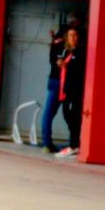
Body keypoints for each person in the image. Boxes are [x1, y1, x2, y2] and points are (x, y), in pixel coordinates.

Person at [40, 13, 80, 153]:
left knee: (56, 112)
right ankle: (66, 143)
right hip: (60, 82)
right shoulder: (64, 42)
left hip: (56, 80)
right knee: (65, 113)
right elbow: (58, 61)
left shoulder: (56, 41)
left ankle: (49, 142)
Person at [56, 27, 86, 157]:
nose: (72, 38)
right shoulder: (67, 51)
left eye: (75, 35)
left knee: (73, 116)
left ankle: (74, 145)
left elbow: (79, 69)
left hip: (76, 89)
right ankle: (74, 142)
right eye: (70, 35)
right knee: (67, 114)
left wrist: (66, 65)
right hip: (66, 88)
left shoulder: (81, 52)